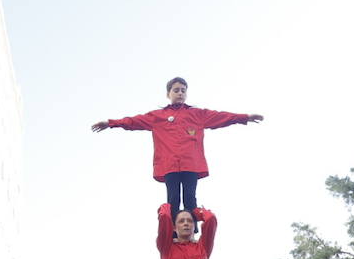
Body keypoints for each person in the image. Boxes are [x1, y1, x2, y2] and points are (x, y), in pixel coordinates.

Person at [90, 77, 263, 212]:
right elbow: (133, 121)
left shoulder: (197, 114)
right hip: (169, 164)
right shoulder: (158, 116)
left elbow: (222, 117)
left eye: (183, 90)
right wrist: (110, 123)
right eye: (176, 90)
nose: (180, 93)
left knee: (190, 198)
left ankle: (192, 231)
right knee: (172, 199)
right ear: (168, 94)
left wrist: (245, 117)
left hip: (191, 163)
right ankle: (172, 232)